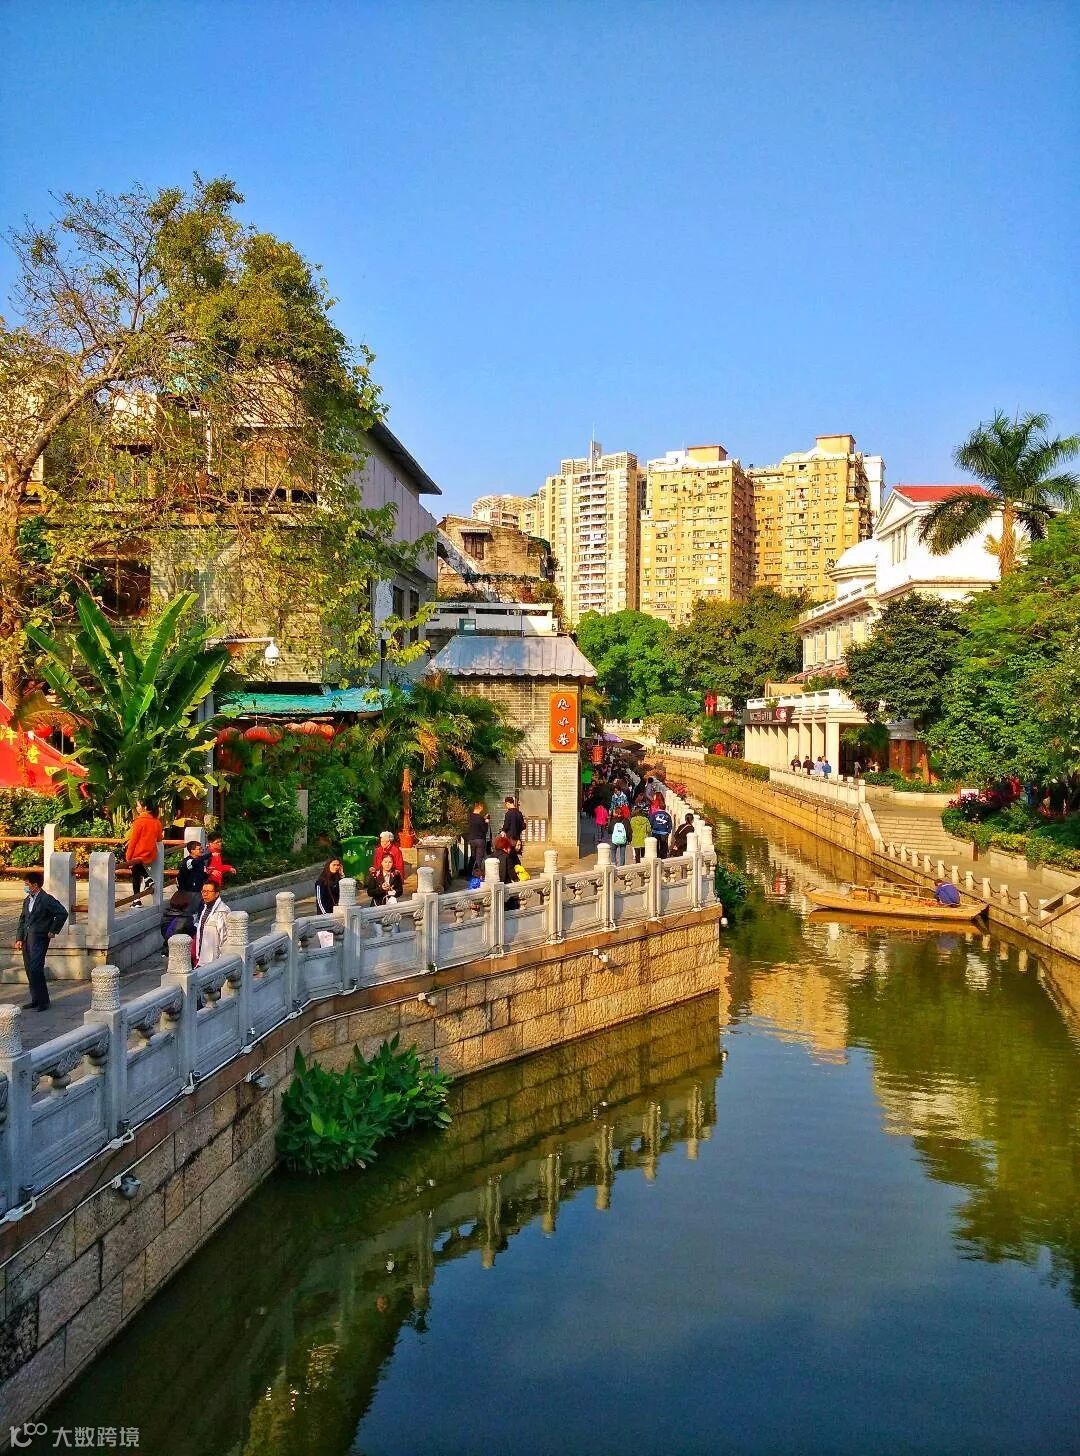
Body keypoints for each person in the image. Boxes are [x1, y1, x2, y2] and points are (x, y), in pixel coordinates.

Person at [14, 870, 68, 1010]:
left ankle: (44, 1001)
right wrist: (19, 938)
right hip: (27, 939)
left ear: (35, 885)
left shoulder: (46, 899)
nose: (25, 887)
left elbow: (62, 913)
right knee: (29, 969)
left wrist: (53, 930)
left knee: (35, 969)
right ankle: (36, 999)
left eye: (27, 884)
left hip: (39, 938)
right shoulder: (27, 900)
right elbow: (22, 919)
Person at [125, 798, 164, 907]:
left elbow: (133, 841)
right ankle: (137, 899)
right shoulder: (156, 822)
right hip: (150, 854)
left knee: (135, 876)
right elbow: (159, 839)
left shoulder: (139, 822)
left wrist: (128, 857)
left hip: (138, 854)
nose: (137, 808)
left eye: (138, 806)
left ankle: (145, 882)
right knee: (136, 873)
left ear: (145, 807)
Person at [193, 880, 229, 966]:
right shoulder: (205, 908)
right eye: (203, 891)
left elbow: (225, 938)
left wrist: (222, 961)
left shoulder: (222, 911)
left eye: (208, 891)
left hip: (215, 961)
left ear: (216, 893)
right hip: (202, 957)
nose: (205, 894)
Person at [366, 831, 405, 905]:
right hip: (377, 902)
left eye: (385, 841)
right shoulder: (378, 850)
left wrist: (393, 890)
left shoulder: (396, 851)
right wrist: (381, 888)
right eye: (381, 841)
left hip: (391, 899)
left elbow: (399, 866)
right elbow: (370, 892)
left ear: (389, 842)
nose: (382, 843)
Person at [160, 889, 195, 955]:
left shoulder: (166, 914)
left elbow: (164, 932)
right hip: (182, 950)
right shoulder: (186, 918)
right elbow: (192, 934)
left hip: (168, 948)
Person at [467, 802, 490, 877]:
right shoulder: (480, 818)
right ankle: (477, 875)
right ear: (479, 808)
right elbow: (484, 830)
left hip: (472, 839)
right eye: (481, 809)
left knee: (472, 857)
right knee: (479, 859)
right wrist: (486, 822)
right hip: (480, 840)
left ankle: (469, 875)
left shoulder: (470, 817)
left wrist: (483, 819)